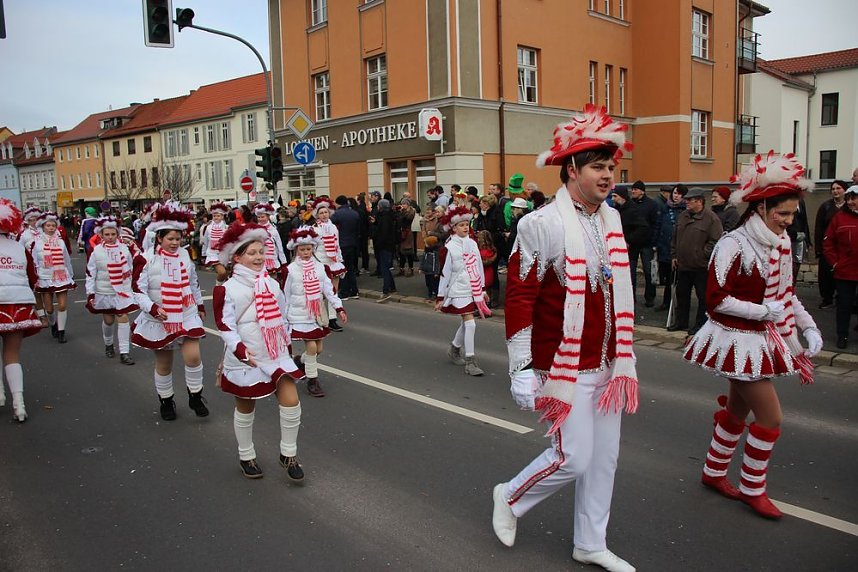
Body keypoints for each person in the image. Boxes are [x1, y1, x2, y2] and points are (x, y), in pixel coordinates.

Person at [492, 105, 637, 572]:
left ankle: (590, 543)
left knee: (604, 461)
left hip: (610, 365)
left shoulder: (611, 221)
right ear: (571, 169)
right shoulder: (541, 224)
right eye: (597, 166)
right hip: (563, 366)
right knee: (573, 457)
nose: (608, 175)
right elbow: (520, 298)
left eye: (611, 167)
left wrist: (623, 357)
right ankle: (510, 496)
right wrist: (520, 367)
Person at [684, 151, 822, 520]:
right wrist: (763, 312)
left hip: (763, 340)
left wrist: (807, 326)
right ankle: (751, 488)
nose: (788, 221)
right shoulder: (734, 244)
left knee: (736, 410)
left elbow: (787, 295)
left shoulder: (779, 244)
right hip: (736, 341)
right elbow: (715, 300)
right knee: (771, 418)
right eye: (783, 214)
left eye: (793, 214)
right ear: (760, 208)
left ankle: (713, 472)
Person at [212, 222, 306, 480]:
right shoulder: (226, 289)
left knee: (291, 401)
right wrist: (241, 350)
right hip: (247, 358)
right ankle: (246, 456)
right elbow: (224, 325)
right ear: (237, 257)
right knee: (246, 406)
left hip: (275, 354)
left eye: (261, 252)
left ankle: (289, 454)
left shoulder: (272, 284)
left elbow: (283, 317)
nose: (258, 257)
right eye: (251, 253)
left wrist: (287, 344)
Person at [131, 203, 208, 421]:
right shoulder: (146, 259)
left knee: (193, 357)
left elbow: (193, 283)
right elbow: (138, 290)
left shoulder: (185, 256)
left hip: (186, 313)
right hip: (160, 318)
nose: (175, 243)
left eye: (178, 238)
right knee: (164, 363)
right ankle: (166, 401)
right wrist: (153, 309)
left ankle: (195, 396)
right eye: (170, 239)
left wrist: (200, 305)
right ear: (159, 238)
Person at [283, 227, 347, 398]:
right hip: (298, 315)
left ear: (313, 249)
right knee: (311, 347)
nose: (305, 252)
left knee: (318, 349)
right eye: (302, 249)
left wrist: (339, 307)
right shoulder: (290, 270)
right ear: (296, 250)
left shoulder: (320, 268)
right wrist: (284, 318)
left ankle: (300, 361)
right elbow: (285, 295)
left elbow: (329, 290)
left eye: (308, 249)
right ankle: (312, 381)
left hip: (316, 314)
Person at [435, 205, 491, 377]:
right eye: (461, 225)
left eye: (467, 224)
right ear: (453, 228)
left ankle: (454, 349)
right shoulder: (449, 248)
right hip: (457, 289)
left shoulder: (473, 243)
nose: (465, 227)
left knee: (466, 322)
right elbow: (445, 274)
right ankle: (470, 362)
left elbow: (478, 267)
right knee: (470, 323)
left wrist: (482, 289)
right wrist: (440, 296)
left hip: (472, 288)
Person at [0, 199, 42, 422]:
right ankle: (19, 404)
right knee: (12, 354)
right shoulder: (19, 248)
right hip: (17, 304)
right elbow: (33, 277)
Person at [85, 216, 139, 365]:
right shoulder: (96, 251)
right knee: (108, 321)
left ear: (117, 234)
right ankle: (109, 344)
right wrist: (90, 293)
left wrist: (130, 289)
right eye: (107, 234)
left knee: (123, 318)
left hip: (122, 291)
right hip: (104, 291)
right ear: (101, 235)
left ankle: (124, 352)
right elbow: (90, 273)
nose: (110, 237)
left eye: (113, 234)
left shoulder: (124, 249)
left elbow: (130, 269)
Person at [669, 187, 723, 335]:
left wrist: (701, 254)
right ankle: (681, 321)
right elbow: (675, 237)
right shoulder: (683, 216)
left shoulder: (711, 219)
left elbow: (715, 241)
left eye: (689, 200)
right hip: (683, 264)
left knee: (702, 297)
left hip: (701, 266)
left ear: (699, 201)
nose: (686, 202)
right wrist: (674, 255)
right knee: (682, 294)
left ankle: (700, 324)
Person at [31, 212, 76, 343]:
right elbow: (34, 262)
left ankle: (61, 332)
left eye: (53, 225)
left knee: (62, 306)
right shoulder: (37, 243)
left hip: (61, 276)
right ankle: (53, 325)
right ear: (43, 227)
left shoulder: (61, 242)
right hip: (45, 278)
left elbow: (67, 260)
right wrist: (35, 277)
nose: (51, 228)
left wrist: (70, 275)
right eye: (48, 225)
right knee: (49, 309)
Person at [822, 185, 858, 349]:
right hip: (845, 272)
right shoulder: (839, 218)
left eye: (854, 199)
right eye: (849, 199)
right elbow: (828, 243)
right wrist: (835, 263)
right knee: (844, 306)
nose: (850, 202)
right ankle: (842, 335)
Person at [311, 197, 347, 331]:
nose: (324, 215)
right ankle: (320, 318)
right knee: (319, 293)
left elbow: (337, 245)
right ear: (317, 215)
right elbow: (312, 248)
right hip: (320, 262)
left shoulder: (333, 227)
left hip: (333, 262)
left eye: (326, 212)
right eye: (321, 213)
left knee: (333, 292)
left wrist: (339, 259)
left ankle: (332, 319)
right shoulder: (314, 229)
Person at [814, 180, 848, 309]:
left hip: (844, 248)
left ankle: (842, 299)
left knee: (842, 275)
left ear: (845, 190)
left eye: (838, 188)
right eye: (833, 189)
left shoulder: (849, 206)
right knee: (826, 275)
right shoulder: (826, 206)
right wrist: (819, 248)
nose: (835, 191)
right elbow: (819, 228)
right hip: (828, 248)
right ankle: (827, 299)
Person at [628, 180, 662, 307]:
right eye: (632, 189)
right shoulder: (630, 204)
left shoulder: (652, 205)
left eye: (635, 189)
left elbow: (656, 224)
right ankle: (631, 297)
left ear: (642, 191)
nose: (633, 191)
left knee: (649, 271)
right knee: (631, 272)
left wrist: (653, 241)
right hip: (633, 244)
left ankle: (650, 297)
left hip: (647, 244)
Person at [654, 185, 687, 312]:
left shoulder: (685, 210)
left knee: (678, 279)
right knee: (667, 278)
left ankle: (679, 304)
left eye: (679, 194)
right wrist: (655, 243)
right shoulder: (665, 208)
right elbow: (658, 225)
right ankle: (666, 302)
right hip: (664, 247)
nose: (675, 196)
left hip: (678, 249)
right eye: (674, 193)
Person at [474, 194, 504, 308]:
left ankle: (494, 299)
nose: (479, 205)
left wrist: (487, 235)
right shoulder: (481, 215)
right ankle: (485, 298)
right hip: (483, 246)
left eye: (481, 203)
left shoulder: (495, 213)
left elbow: (499, 229)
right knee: (483, 273)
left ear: (486, 204)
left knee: (493, 273)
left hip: (493, 247)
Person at [331, 195, 361, 300]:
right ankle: (354, 291)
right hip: (353, 243)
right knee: (351, 268)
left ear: (338, 203)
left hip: (342, 244)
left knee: (342, 269)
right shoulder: (354, 213)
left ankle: (344, 292)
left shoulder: (337, 214)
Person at [254, 202, 290, 286]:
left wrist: (283, 262)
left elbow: (279, 247)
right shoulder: (254, 229)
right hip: (259, 259)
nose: (260, 219)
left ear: (268, 217)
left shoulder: (273, 230)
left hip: (272, 260)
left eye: (262, 217)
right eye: (258, 217)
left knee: (273, 282)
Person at [374, 199, 398, 302]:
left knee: (384, 268)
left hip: (385, 246)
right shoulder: (387, 216)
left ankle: (386, 291)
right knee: (386, 267)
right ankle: (392, 287)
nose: (377, 207)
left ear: (381, 207)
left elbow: (384, 233)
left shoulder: (385, 218)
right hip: (389, 245)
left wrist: (378, 243)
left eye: (378, 206)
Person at [202, 201, 231, 283]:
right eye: (214, 216)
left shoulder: (226, 227)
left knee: (228, 275)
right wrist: (203, 254)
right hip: (213, 254)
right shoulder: (208, 228)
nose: (216, 217)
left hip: (224, 254)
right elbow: (206, 241)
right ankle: (218, 285)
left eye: (218, 216)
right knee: (222, 272)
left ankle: (224, 289)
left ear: (222, 216)